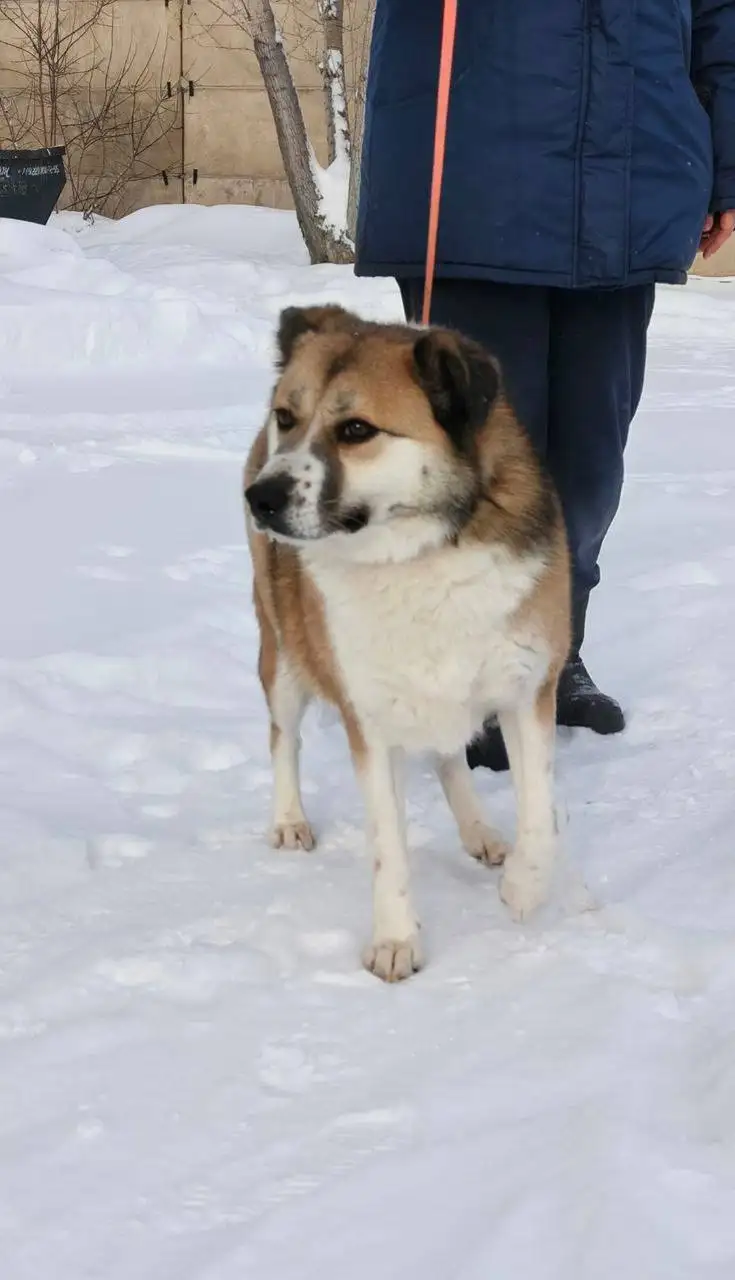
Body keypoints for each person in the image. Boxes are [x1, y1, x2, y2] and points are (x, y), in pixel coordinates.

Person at [354, 1, 735, 771]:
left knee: (588, 466)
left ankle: (553, 652)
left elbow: (718, 24)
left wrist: (724, 166)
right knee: (482, 462)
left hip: (628, 186)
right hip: (472, 187)